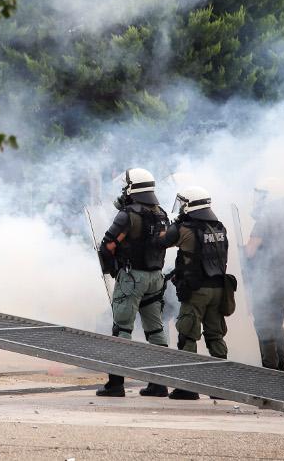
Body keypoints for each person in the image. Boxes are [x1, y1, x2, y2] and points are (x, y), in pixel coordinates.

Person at [95, 168, 171, 398]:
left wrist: (113, 268)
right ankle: (159, 384)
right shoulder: (161, 213)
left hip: (132, 277)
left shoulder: (127, 215)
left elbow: (108, 245)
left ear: (131, 188)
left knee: (121, 329)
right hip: (155, 278)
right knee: (155, 329)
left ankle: (115, 384)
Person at [159, 186, 232, 400]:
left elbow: (161, 242)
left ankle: (188, 387)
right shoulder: (219, 228)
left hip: (197, 291)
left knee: (188, 335)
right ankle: (222, 388)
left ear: (189, 205)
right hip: (219, 289)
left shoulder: (185, 230)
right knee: (215, 335)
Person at [243, 178, 284, 372]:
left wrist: (243, 252)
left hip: (265, 281)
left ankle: (270, 369)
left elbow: (250, 251)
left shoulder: (264, 220)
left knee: (264, 324)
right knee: (277, 323)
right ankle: (282, 365)